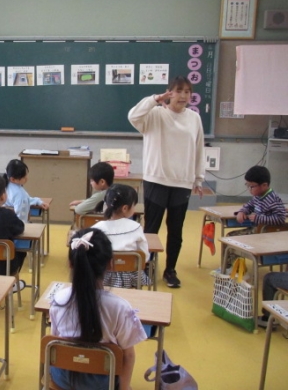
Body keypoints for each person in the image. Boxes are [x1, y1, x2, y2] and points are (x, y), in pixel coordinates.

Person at [128, 75, 205, 288]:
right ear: (169, 92)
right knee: (151, 227)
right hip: (156, 179)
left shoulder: (194, 118)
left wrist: (198, 178)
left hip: (182, 182)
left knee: (176, 230)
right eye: (178, 91)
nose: (183, 95)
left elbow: (199, 148)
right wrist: (154, 99)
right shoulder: (154, 114)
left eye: (187, 91)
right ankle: (146, 266)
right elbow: (133, 115)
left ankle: (170, 270)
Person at [49, 228, 147, 390]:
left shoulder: (58, 299)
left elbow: (55, 341)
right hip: (101, 382)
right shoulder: (119, 307)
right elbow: (128, 356)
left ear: (71, 264)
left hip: (63, 378)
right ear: (110, 264)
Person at [92, 184, 150, 289]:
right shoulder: (136, 227)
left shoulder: (96, 228)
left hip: (102, 277)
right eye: (134, 205)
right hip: (131, 277)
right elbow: (144, 257)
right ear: (125, 208)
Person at [233, 165, 286, 233]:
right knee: (230, 236)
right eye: (247, 185)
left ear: (264, 185)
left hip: (267, 232)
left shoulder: (273, 199)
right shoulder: (258, 196)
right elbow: (249, 205)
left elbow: (281, 219)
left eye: (251, 186)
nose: (249, 189)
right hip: (257, 229)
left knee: (231, 236)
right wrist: (242, 211)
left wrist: (259, 218)